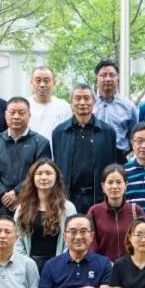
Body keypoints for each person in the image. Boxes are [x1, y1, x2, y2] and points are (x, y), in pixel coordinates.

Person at [51, 83, 119, 214]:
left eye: (87, 98)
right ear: (71, 102)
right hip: (69, 197)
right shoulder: (59, 132)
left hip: (98, 197)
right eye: (78, 98)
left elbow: (111, 165)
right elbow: (57, 165)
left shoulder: (107, 132)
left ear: (94, 102)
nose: (82, 102)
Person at [0, 97, 52, 216]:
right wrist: (3, 195)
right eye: (12, 112)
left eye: (21, 113)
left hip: (31, 204)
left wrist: (17, 193)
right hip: (0, 205)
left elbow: (40, 173)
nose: (16, 117)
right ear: (5, 115)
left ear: (29, 115)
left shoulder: (41, 143)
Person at [14, 159, 78, 271]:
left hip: (59, 264)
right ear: (32, 178)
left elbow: (72, 239)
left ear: (56, 177)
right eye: (39, 173)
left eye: (48, 173)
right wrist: (26, 264)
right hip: (28, 265)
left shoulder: (68, 208)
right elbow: (16, 239)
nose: (44, 177)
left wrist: (60, 263)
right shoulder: (22, 208)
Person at [88, 165, 145, 262]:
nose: (114, 186)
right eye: (110, 182)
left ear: (126, 185)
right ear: (103, 186)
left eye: (119, 182)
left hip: (132, 267)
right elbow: (91, 245)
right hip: (103, 268)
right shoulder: (94, 212)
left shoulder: (136, 211)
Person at [93, 59, 139, 154]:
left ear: (118, 78)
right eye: (103, 75)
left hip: (119, 155)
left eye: (112, 75)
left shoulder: (128, 106)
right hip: (93, 154)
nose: (108, 79)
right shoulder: (89, 103)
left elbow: (134, 134)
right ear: (96, 77)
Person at [27, 66, 72, 142]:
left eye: (46, 81)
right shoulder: (25, 105)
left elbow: (68, 135)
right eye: (38, 81)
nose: (42, 85)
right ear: (31, 82)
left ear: (54, 83)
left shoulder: (64, 107)